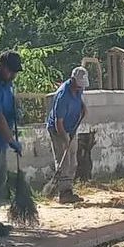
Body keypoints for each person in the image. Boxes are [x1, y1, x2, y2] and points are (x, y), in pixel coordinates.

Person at [0, 51, 24, 237]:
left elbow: (7, 111)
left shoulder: (7, 83)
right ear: (1, 66)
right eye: (11, 71)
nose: (13, 75)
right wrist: (11, 140)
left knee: (0, 181)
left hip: (1, 141)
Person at [46, 66, 89, 204]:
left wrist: (83, 107)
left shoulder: (79, 88)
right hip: (58, 130)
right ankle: (63, 193)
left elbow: (79, 99)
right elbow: (59, 123)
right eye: (78, 86)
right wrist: (65, 139)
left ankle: (69, 189)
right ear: (72, 80)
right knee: (63, 161)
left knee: (72, 160)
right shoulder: (62, 96)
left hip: (71, 128)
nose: (80, 88)